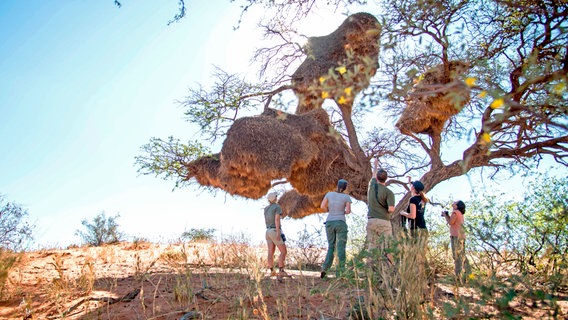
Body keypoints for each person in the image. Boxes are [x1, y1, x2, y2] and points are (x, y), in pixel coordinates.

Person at [319, 179, 352, 278]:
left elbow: (322, 206)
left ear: (337, 185)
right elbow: (348, 211)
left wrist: (330, 210)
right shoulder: (346, 197)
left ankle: (325, 268)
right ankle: (340, 272)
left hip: (329, 222)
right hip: (340, 222)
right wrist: (342, 212)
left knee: (331, 246)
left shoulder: (329, 194)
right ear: (345, 187)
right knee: (341, 247)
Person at [366, 158, 395, 258]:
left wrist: (375, 165)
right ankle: (388, 270)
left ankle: (369, 271)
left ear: (377, 178)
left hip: (371, 221)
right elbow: (391, 209)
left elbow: (373, 175)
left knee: (372, 247)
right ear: (386, 179)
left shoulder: (372, 186)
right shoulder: (389, 192)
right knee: (387, 248)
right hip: (384, 222)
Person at [443, 200, 471, 283]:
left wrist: (445, 215)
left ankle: (458, 276)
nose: (452, 204)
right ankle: (469, 274)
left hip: (456, 236)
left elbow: (451, 222)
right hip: (461, 236)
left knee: (457, 256)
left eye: (454, 203)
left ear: (457, 205)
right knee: (462, 255)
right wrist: (448, 215)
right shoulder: (460, 213)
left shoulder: (455, 212)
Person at [263, 192, 290, 280]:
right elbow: (277, 220)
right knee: (283, 251)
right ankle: (281, 271)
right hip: (274, 230)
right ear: (274, 198)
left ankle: (272, 271)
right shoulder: (277, 207)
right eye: (276, 196)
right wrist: (278, 232)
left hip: (267, 231)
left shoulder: (266, 208)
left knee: (271, 251)